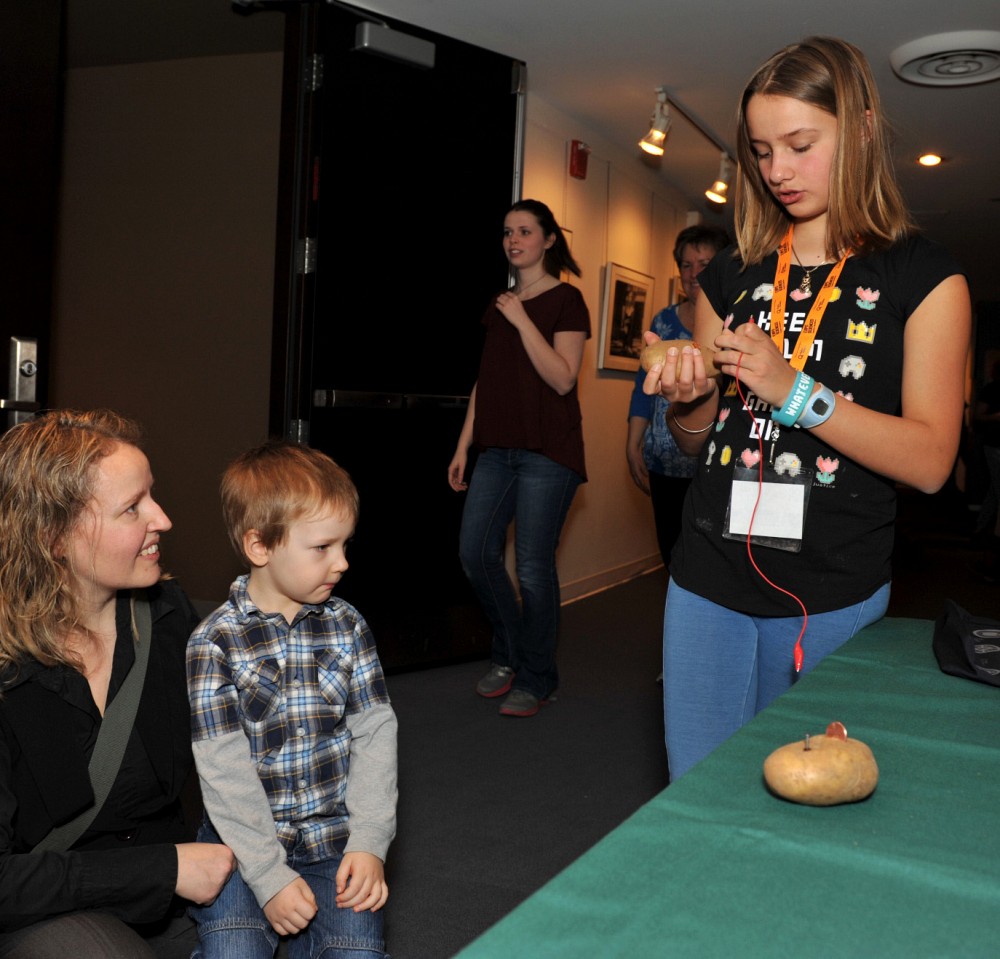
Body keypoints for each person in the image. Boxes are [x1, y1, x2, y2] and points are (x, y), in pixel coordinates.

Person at [643, 36, 971, 780]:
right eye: (761, 150)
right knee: (697, 794)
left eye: (798, 144)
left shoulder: (926, 277)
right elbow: (696, 441)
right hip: (707, 579)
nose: (777, 171)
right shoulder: (728, 275)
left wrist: (796, 392)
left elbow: (929, 462)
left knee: (811, 807)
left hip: (834, 589)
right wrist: (692, 402)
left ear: (859, 129)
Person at [0, 409, 234, 959]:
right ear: (53, 537)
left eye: (151, 495)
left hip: (168, 897)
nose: (163, 519)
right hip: (46, 908)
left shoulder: (169, 617)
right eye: (133, 508)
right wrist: (164, 868)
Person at [186, 441, 397, 959]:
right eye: (323, 547)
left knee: (357, 952)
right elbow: (223, 770)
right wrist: (267, 875)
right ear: (260, 547)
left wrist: (370, 842)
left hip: (333, 842)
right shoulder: (213, 642)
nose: (343, 562)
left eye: (346, 544)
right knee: (232, 953)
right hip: (241, 846)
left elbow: (375, 734)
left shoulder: (348, 626)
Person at [448, 198, 590, 719]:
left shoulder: (567, 301)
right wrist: (466, 444)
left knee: (532, 568)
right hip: (497, 451)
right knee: (475, 553)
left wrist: (523, 318)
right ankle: (509, 655)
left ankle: (536, 678)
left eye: (525, 231)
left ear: (549, 240)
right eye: (507, 232)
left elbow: (562, 377)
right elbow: (488, 380)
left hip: (547, 453)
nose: (513, 240)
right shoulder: (501, 302)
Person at [626, 224, 731, 567]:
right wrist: (633, 443)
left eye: (704, 263)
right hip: (664, 462)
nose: (694, 273)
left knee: (710, 563)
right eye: (686, 265)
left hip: (715, 464)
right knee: (671, 555)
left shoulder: (735, 325)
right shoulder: (663, 321)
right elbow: (643, 388)